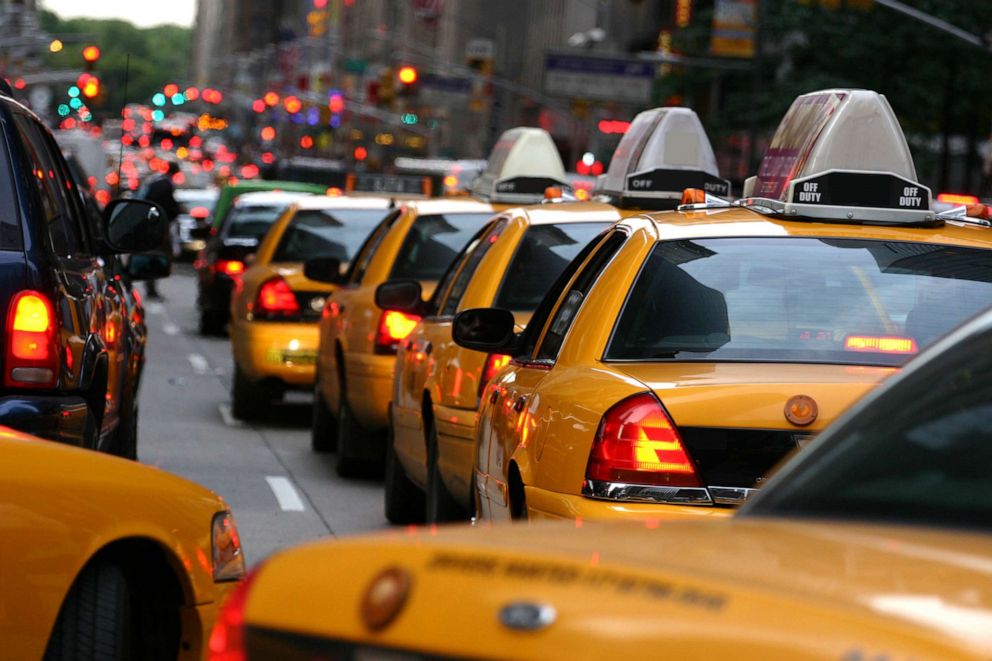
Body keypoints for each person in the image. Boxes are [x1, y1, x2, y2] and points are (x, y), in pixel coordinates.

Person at [138, 162, 181, 299]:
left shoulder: (156, 182)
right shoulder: (167, 185)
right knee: (158, 254)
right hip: (160, 225)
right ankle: (151, 285)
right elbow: (169, 206)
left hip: (152, 224)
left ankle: (150, 285)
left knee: (153, 253)